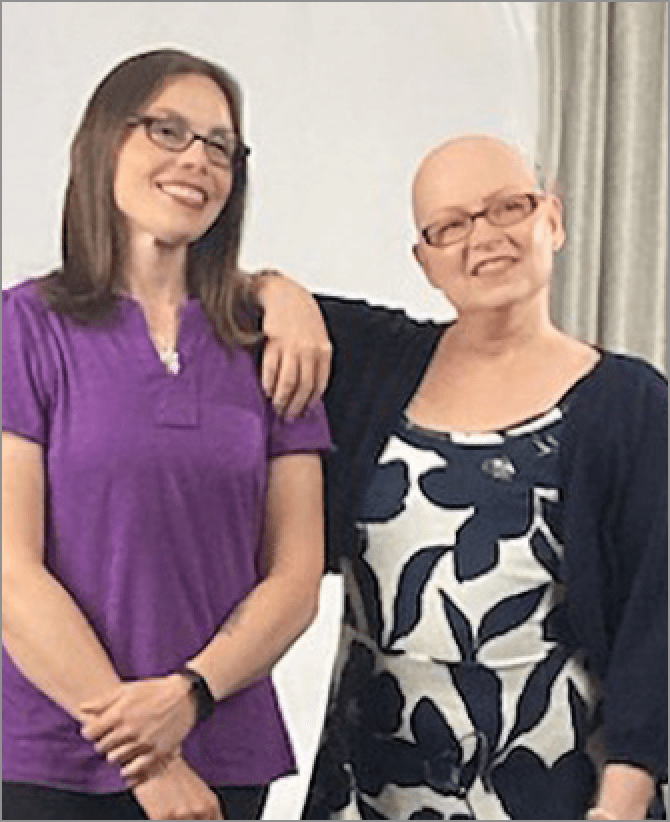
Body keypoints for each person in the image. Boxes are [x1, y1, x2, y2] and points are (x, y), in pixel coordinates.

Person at [253, 134, 668, 819]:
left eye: (509, 207)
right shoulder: (374, 362)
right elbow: (220, 303)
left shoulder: (628, 402)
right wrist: (277, 291)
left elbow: (657, 619)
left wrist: (623, 801)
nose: (485, 237)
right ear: (425, 260)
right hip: (371, 787)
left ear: (553, 219)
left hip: (556, 789)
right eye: (450, 226)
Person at [2, 48, 331, 821]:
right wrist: (146, 758)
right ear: (104, 143)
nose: (197, 160)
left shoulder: (270, 343)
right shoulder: (23, 328)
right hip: (53, 757)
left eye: (221, 145)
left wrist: (190, 695)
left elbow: (295, 577)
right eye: (169, 130)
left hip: (225, 751)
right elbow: (11, 572)